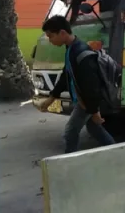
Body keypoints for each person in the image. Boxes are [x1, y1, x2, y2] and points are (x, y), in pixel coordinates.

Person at [38, 15, 116, 153]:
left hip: (85, 102)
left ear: (62, 33)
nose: (50, 41)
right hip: (82, 101)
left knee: (70, 133)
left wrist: (93, 110)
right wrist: (51, 98)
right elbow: (66, 75)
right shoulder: (70, 49)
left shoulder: (81, 52)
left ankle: (69, 162)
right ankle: (117, 151)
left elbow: (92, 86)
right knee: (94, 129)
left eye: (51, 36)